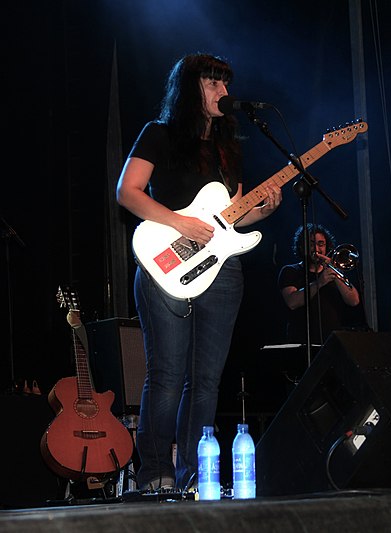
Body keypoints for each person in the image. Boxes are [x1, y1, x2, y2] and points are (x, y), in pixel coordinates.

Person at [116, 53, 283, 492]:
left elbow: (233, 216)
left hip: (221, 268)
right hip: (165, 261)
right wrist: (179, 222)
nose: (223, 92)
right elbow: (127, 192)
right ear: (190, 88)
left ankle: (192, 475)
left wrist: (263, 210)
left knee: (206, 381)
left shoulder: (229, 147)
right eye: (213, 83)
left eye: (226, 84)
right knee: (167, 376)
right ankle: (154, 474)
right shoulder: (159, 134)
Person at [278, 223, 361, 345]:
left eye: (321, 244)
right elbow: (292, 302)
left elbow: (354, 301)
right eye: (311, 244)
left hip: (332, 343)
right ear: (302, 247)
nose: (316, 249)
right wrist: (320, 282)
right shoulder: (290, 271)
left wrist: (334, 270)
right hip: (302, 343)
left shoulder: (332, 272)